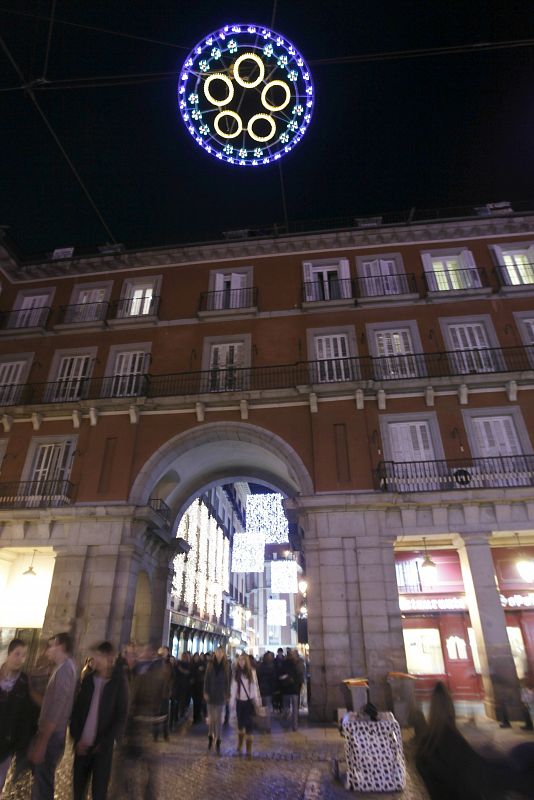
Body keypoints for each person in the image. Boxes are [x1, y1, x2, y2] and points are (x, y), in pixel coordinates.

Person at [415, 681, 532, 800]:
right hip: (476, 787)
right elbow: (474, 774)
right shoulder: (450, 738)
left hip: (462, 785)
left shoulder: (428, 742)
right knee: (522, 755)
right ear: (450, 707)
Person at [70, 641, 129, 800]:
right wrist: (77, 739)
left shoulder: (118, 682)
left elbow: (121, 715)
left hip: (102, 750)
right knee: (78, 791)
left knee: (99, 792)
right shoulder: (88, 680)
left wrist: (106, 741)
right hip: (82, 747)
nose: (94, 659)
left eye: (98, 656)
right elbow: (76, 710)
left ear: (109, 658)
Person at [28, 632, 77, 800]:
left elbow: (55, 710)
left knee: (43, 785)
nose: (48, 650)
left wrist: (42, 742)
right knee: (43, 782)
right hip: (54, 735)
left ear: (60, 646)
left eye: (51, 645)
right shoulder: (65, 667)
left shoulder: (64, 670)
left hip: (52, 737)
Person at [0, 638, 38, 796]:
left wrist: (22, 742)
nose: (20, 659)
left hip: (7, 743)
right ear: (8, 654)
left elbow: (27, 715)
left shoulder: (24, 681)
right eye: (17, 654)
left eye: (23, 656)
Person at [229, 653, 261, 758]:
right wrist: (232, 702)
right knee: (240, 725)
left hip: (248, 702)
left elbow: (254, 688)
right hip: (239, 702)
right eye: (240, 660)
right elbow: (233, 689)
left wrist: (256, 701)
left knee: (249, 726)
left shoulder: (251, 673)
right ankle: (240, 743)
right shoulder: (236, 673)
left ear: (246, 662)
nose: (241, 662)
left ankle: (248, 749)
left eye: (243, 660)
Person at [203, 647, 230, 755]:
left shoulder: (226, 666)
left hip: (220, 695)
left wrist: (227, 693)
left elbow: (228, 681)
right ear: (215, 653)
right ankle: (210, 736)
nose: (219, 654)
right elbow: (206, 679)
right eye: (217, 652)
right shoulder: (210, 665)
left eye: (221, 653)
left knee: (218, 719)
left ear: (223, 654)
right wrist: (205, 692)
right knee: (211, 719)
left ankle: (218, 739)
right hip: (211, 694)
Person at [279, 649, 304, 731]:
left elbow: (300, 675)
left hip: (293, 689)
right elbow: (281, 674)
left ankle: (294, 726)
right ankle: (290, 724)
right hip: (288, 688)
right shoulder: (286, 663)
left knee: (294, 709)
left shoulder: (297, 664)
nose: (291, 656)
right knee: (288, 709)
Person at [256, 651, 276, 733]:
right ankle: (267, 727)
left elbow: (258, 678)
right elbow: (273, 680)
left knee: (262, 710)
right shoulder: (271, 667)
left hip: (261, 690)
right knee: (267, 710)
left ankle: (262, 726)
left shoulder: (260, 667)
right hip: (268, 691)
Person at [190, 653, 205, 724]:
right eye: (195, 657)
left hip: (200, 687)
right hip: (193, 687)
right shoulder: (192, 665)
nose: (196, 658)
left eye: (197, 657)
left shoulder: (201, 664)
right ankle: (195, 717)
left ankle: (198, 716)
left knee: (199, 702)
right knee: (195, 702)